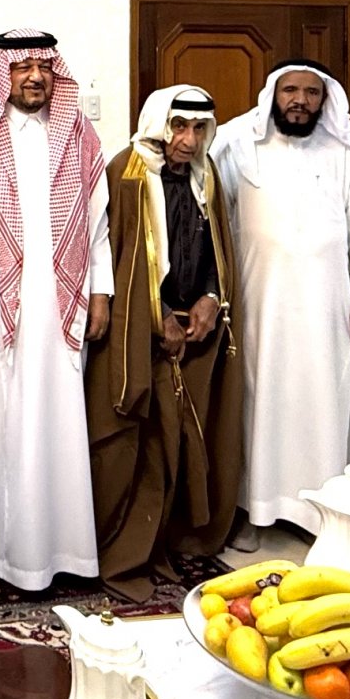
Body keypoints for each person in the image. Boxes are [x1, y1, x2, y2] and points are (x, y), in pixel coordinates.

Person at [0, 29, 111, 590]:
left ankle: (67, 551)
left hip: (62, 306)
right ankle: (3, 555)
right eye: (21, 67)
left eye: (43, 66)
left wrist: (101, 292)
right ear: (2, 73)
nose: (34, 76)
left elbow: (98, 224)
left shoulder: (79, 133)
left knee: (60, 424)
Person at [211, 59, 350, 540]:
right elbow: (213, 210)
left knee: (321, 403)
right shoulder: (238, 143)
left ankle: (316, 514)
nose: (300, 101)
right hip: (258, 302)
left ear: (324, 99)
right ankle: (252, 509)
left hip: (327, 306)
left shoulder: (343, 152)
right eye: (290, 90)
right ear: (273, 94)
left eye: (311, 92)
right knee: (255, 402)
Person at [86, 85, 243, 601]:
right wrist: (158, 320)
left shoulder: (206, 174)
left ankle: (170, 544)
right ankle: (126, 553)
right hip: (138, 333)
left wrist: (211, 299)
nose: (189, 140)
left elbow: (218, 248)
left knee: (183, 441)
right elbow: (117, 261)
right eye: (179, 127)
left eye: (199, 129)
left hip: (193, 333)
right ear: (159, 124)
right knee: (139, 444)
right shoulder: (126, 173)